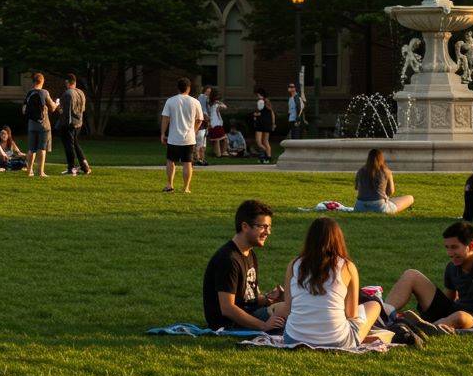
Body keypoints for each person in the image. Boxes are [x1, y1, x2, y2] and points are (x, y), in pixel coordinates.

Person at [382, 221, 473, 333]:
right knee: (411, 274)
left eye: (454, 247)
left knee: (459, 317)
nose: (450, 253)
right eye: (447, 247)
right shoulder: (452, 267)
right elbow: (448, 299)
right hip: (455, 310)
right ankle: (382, 316)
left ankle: (419, 330)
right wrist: (432, 305)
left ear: (471, 246)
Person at [280, 218, 381, 348]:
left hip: (294, 338)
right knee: (374, 304)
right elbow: (351, 314)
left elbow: (288, 309)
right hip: (338, 341)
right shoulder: (347, 267)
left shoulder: (294, 264)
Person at [202, 199, 289, 332]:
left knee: (294, 309)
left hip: (250, 313)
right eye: (263, 226)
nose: (268, 232)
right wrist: (263, 325)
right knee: (293, 316)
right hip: (229, 324)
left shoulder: (249, 253)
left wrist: (268, 299)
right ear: (245, 226)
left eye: (269, 227)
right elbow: (228, 308)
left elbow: (250, 297)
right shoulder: (228, 259)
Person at [160, 77, 204, 193]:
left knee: (170, 161)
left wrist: (163, 133)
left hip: (173, 138)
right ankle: (186, 188)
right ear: (188, 88)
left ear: (178, 88)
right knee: (187, 163)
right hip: (189, 138)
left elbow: (165, 118)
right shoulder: (195, 102)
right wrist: (193, 130)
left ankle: (169, 185)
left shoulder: (170, 101)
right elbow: (200, 119)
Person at [353, 148, 415, 214]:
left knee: (390, 200)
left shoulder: (360, 171)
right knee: (410, 198)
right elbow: (391, 191)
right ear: (381, 158)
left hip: (359, 207)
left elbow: (356, 188)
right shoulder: (386, 172)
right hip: (380, 207)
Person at [22, 72, 59, 177]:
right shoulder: (45, 92)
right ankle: (40, 171)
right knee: (42, 148)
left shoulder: (29, 93)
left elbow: (24, 110)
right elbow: (52, 108)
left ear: (33, 82)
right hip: (43, 125)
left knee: (31, 149)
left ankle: (29, 171)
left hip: (31, 124)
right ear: (42, 81)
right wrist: (56, 104)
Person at [57, 73, 91, 175]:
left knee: (69, 146)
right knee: (75, 144)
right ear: (75, 82)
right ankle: (84, 166)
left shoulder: (68, 94)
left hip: (69, 124)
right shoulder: (81, 92)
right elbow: (83, 109)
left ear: (67, 82)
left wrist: (58, 107)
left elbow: (66, 112)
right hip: (78, 123)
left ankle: (71, 168)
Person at [205, 86, 229, 158]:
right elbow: (225, 107)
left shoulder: (209, 102)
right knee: (219, 139)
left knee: (218, 139)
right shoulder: (215, 103)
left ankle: (220, 154)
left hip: (213, 123)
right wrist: (219, 104)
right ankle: (220, 154)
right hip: (216, 123)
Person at [251, 88, 274, 163]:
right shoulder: (268, 102)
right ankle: (269, 157)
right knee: (266, 141)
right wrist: (273, 123)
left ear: (259, 94)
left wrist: (255, 114)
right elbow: (271, 113)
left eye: (257, 94)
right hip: (267, 124)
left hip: (260, 124)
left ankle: (266, 154)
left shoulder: (260, 101)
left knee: (259, 142)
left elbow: (259, 111)